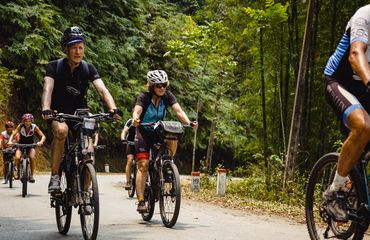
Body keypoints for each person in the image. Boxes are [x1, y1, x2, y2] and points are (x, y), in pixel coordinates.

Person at [41, 26, 121, 193]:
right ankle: (55, 176)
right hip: (59, 114)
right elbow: (47, 89)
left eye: (81, 47)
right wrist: (46, 108)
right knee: (61, 132)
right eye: (73, 47)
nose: (78, 51)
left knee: (88, 150)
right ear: (66, 49)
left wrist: (113, 109)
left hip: (80, 114)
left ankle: (85, 189)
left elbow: (102, 90)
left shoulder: (88, 68)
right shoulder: (53, 66)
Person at [323, 4, 370, 222]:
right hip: (339, 81)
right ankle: (335, 191)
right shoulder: (364, 16)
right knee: (362, 126)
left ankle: (355, 187)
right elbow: (355, 54)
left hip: (365, 89)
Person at [132, 70, 197, 213]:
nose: (162, 88)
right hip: (143, 132)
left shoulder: (167, 96)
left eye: (164, 85)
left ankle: (168, 163)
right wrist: (136, 118)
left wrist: (189, 123)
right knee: (143, 165)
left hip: (158, 131)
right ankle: (141, 200)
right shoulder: (144, 97)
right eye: (158, 85)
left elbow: (178, 111)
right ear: (151, 86)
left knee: (173, 135)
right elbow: (137, 110)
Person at [8, 114, 46, 183]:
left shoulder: (34, 127)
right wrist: (10, 141)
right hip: (20, 144)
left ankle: (31, 175)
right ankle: (17, 174)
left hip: (30, 145)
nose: (27, 123)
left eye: (29, 121)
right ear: (23, 121)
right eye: (26, 121)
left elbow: (43, 136)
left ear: (31, 121)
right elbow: (13, 134)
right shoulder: (20, 126)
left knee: (31, 157)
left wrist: (41, 142)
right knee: (17, 157)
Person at [120, 118, 136, 190]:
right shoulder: (130, 121)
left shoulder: (145, 120)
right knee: (130, 160)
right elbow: (124, 131)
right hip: (131, 143)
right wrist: (123, 138)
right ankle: (128, 182)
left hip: (141, 144)